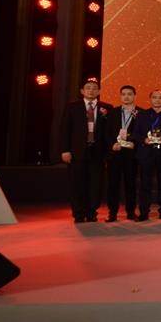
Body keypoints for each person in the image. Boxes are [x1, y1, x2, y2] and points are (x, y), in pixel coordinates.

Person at [59, 79, 112, 223]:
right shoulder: (72, 107)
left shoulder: (106, 108)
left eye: (94, 88)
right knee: (77, 183)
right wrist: (65, 150)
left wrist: (108, 153)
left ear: (99, 91)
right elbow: (65, 130)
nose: (91, 90)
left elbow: (109, 133)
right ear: (82, 91)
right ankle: (78, 213)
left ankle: (91, 212)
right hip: (77, 152)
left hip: (98, 152)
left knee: (95, 184)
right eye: (88, 88)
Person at [132, 89, 161, 221]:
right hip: (146, 154)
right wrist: (144, 139)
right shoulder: (141, 115)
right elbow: (135, 133)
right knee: (145, 184)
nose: (157, 100)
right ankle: (144, 212)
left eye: (160, 97)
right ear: (150, 99)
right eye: (154, 97)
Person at [103, 85, 138, 222]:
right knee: (113, 184)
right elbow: (106, 132)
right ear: (120, 96)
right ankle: (112, 213)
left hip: (131, 154)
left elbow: (141, 132)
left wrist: (133, 142)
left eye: (129, 94)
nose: (126, 97)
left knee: (131, 184)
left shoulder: (141, 113)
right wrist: (112, 144)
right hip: (115, 153)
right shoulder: (112, 112)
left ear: (134, 96)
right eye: (123, 94)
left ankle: (131, 212)